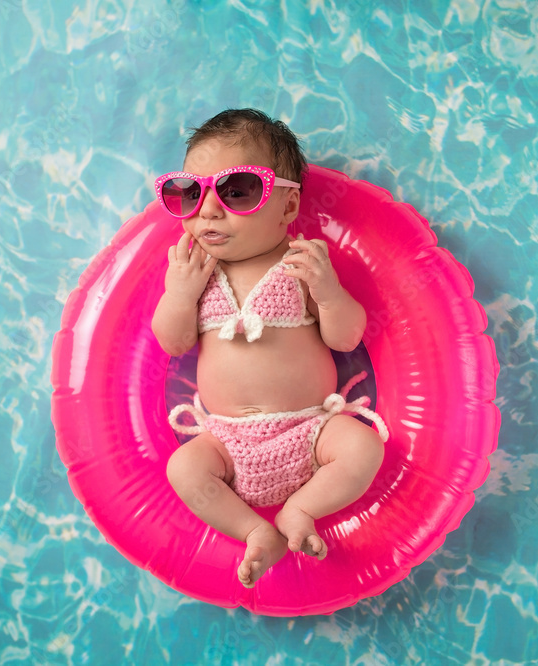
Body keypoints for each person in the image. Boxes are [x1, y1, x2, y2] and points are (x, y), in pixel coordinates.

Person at [152, 109, 387, 588]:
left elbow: (346, 339)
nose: (209, 211)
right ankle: (256, 530)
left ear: (286, 205)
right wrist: (178, 296)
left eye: (237, 191)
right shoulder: (194, 275)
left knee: (362, 446)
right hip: (226, 444)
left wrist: (329, 294)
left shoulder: (302, 266)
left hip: (311, 430)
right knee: (184, 468)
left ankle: (302, 509)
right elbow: (173, 344)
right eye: (191, 194)